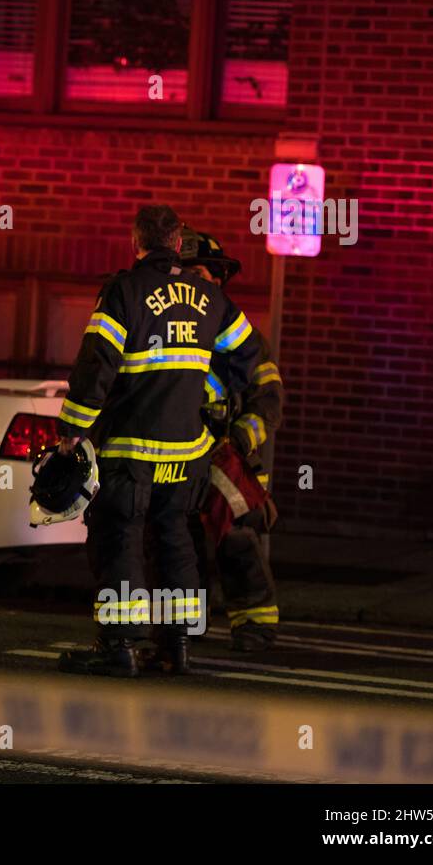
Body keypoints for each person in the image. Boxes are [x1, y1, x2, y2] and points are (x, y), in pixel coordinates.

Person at [54, 205, 261, 677]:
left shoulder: (124, 291)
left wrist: (71, 431)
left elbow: (96, 366)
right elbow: (248, 356)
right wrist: (206, 395)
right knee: (174, 541)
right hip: (187, 456)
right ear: (178, 243)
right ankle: (175, 647)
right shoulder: (209, 298)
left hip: (130, 451)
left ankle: (119, 647)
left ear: (136, 242)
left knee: (119, 538)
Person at [179, 227, 285, 651]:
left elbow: (269, 397)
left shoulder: (240, 334)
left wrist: (240, 440)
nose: (205, 284)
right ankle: (184, 625)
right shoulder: (161, 325)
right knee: (177, 541)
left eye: (209, 275)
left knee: (237, 531)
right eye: (194, 275)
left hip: (224, 453)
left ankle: (255, 624)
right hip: (173, 452)